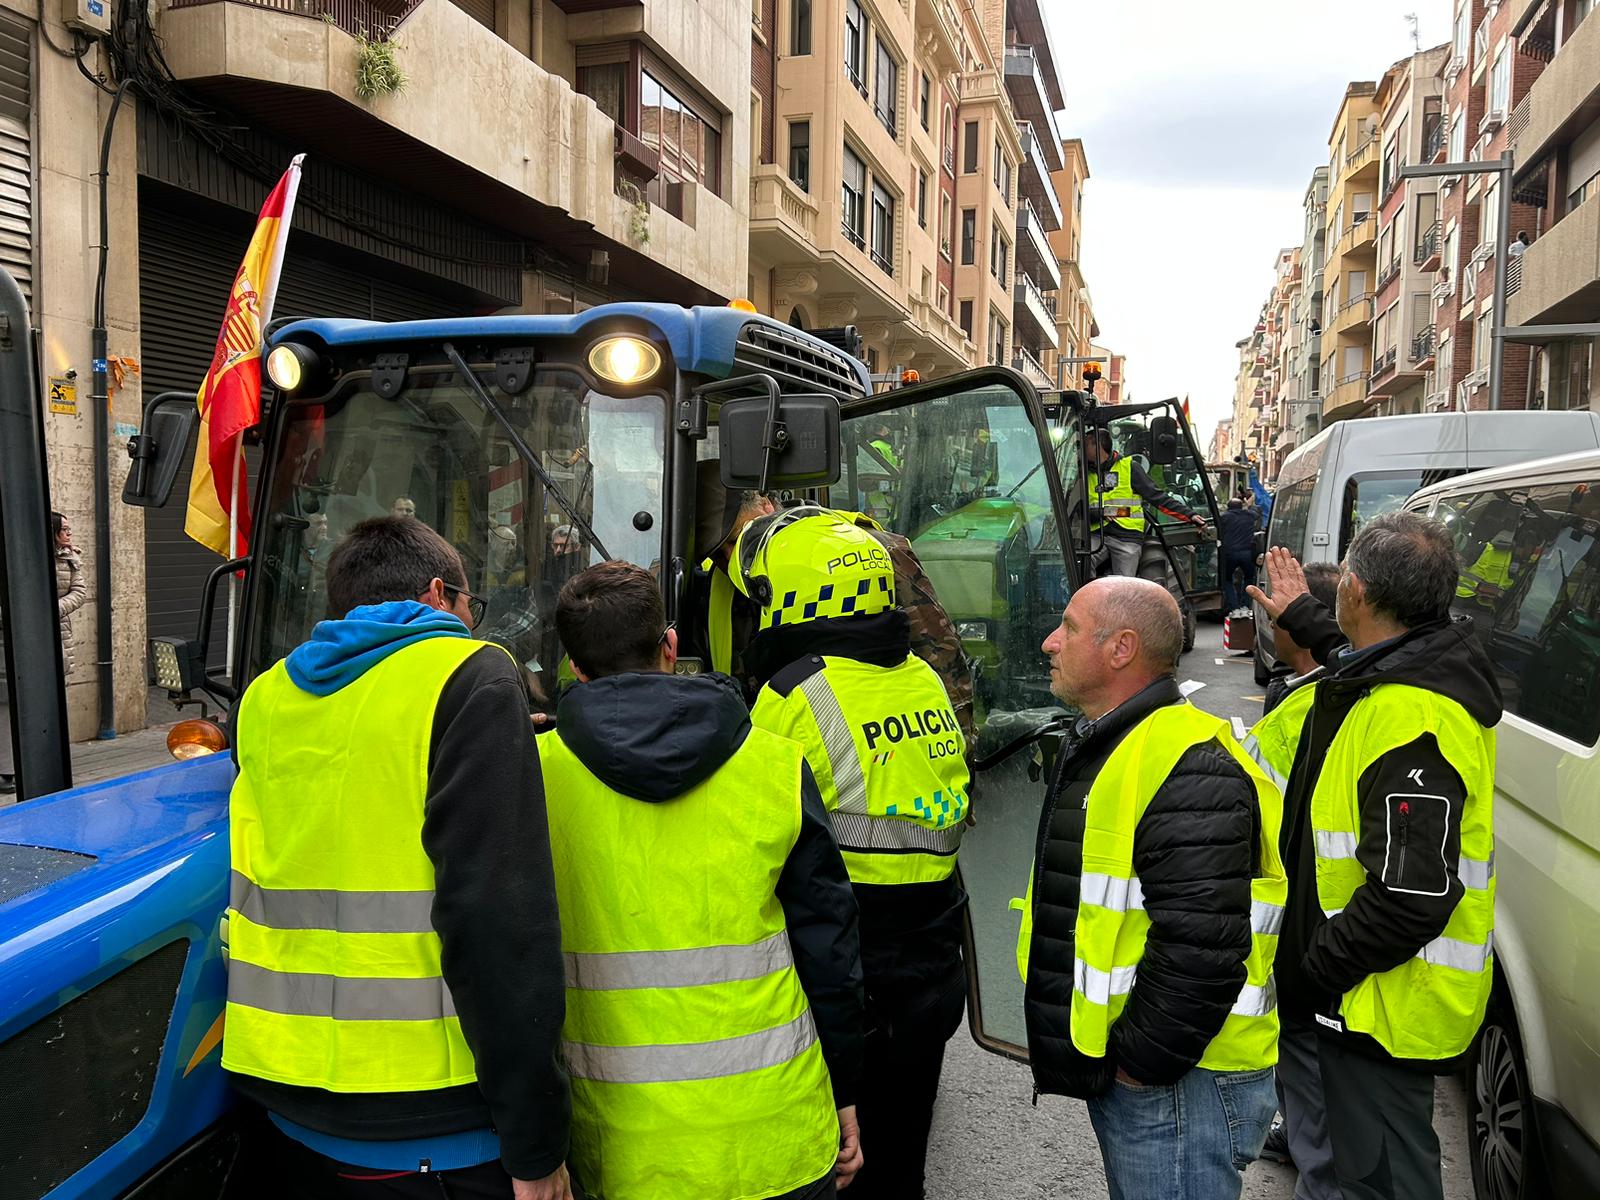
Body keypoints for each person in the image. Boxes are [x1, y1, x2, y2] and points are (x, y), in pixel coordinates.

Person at [223, 516, 572, 1199]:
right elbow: (499, 929)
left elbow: (350, 786)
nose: (475, 622)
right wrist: (535, 1143)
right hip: (429, 1116)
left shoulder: (264, 697)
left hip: (288, 1099)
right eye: (474, 606)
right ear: (440, 596)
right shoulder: (472, 674)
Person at [538, 560, 866, 1200]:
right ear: (670, 645)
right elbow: (830, 947)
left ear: (575, 668)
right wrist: (846, 1091)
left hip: (617, 1147)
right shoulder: (774, 765)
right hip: (777, 1133)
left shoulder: (534, 775)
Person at [1247, 516, 1499, 1200]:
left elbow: (1409, 897)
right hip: (1367, 1001)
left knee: (1379, 1185)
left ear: (1353, 590)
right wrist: (1307, 618)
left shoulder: (1412, 719)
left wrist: (1312, 973)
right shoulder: (1408, 668)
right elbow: (1360, 663)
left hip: (1383, 1011)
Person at [1018, 576, 1285, 1200]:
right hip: (1161, 1075)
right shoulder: (1120, 741)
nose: (1050, 642)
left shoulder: (1185, 764)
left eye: (1071, 628)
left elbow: (1203, 949)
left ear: (1122, 648)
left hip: (1178, 1084)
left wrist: (1140, 1067)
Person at [731, 508, 969, 1200]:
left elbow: (758, 830)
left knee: (843, 1166)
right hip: (932, 960)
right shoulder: (924, 678)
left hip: (851, 970)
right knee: (903, 1164)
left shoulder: (793, 693)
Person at [684, 464, 977, 753]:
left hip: (875, 753)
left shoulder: (870, 550)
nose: (731, 560)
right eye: (716, 553)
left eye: (736, 540)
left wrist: (960, 761)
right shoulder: (714, 581)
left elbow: (942, 661)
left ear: (766, 505)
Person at [1, 512, 85, 797]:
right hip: (18, 636)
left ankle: (47, 760)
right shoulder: (22, 556)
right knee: (11, 702)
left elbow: (79, 592)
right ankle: (9, 768)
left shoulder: (70, 558)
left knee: (52, 695)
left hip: (56, 634)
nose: (69, 534)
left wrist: (50, 609)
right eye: (63, 530)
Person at [1085, 427, 1207, 578]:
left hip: (1127, 538)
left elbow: (1157, 497)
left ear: (1097, 446)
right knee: (1082, 559)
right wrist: (1098, 513)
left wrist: (1190, 516)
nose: (1080, 450)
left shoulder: (1129, 467)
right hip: (1098, 535)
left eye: (1085, 445)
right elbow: (1077, 508)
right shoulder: (1085, 473)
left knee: (1124, 586)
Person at [1261, 562, 1340, 715]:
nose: (1271, 625)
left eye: (1276, 615)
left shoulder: (1323, 702)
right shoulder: (1286, 681)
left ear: (1301, 621)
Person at [1217, 497, 1259, 614]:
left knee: (1227, 580)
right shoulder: (1250, 515)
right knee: (1249, 578)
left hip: (1229, 553)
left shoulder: (1224, 517)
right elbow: (1257, 514)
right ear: (1241, 506)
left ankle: (1234, 607)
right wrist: (1247, 505)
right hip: (1247, 553)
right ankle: (1246, 606)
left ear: (1228, 507)